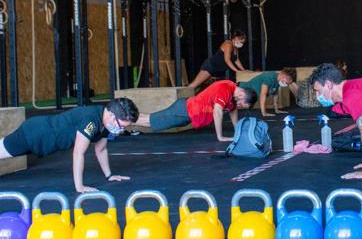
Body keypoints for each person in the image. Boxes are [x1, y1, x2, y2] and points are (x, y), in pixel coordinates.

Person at [0, 99, 139, 193]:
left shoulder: (108, 125)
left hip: (46, 142)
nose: (121, 130)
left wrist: (109, 175)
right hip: (35, 133)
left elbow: (101, 148)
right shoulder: (91, 121)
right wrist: (80, 187)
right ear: (111, 115)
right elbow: (78, 152)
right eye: (121, 126)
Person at [134, 80, 257, 141]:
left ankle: (126, 118)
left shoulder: (233, 96)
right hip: (184, 111)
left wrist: (237, 131)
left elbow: (233, 110)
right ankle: (123, 120)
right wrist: (221, 137)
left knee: (152, 119)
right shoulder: (225, 88)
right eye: (242, 105)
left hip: (187, 115)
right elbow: (217, 111)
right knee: (150, 122)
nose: (239, 107)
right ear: (241, 96)